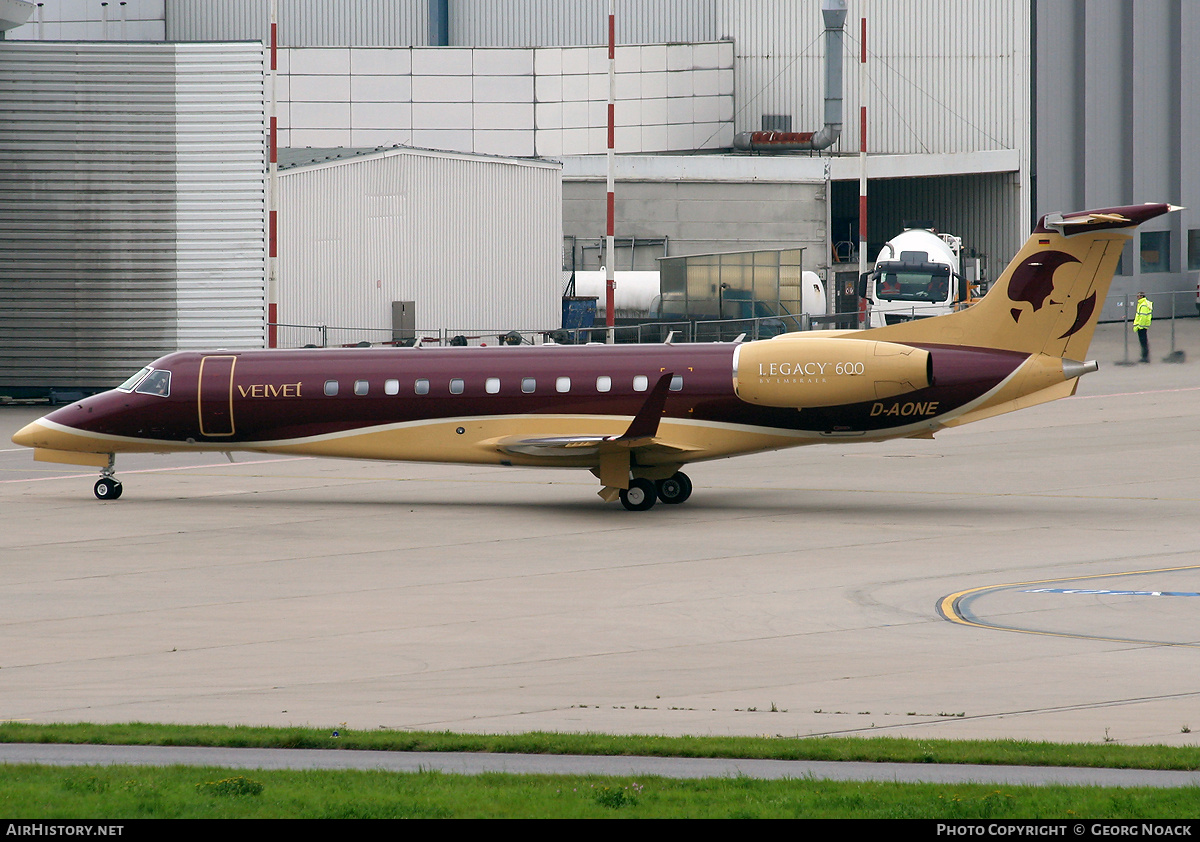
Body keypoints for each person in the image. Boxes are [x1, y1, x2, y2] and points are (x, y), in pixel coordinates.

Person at [1134, 291, 1153, 363]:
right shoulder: (1143, 303)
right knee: (1144, 341)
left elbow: (1143, 317)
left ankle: (1145, 357)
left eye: (1138, 296)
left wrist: (1139, 326)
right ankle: (1144, 356)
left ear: (1141, 297)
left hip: (1141, 327)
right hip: (1143, 326)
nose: (1137, 297)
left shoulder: (1143, 305)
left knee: (1143, 342)